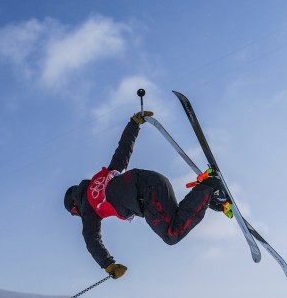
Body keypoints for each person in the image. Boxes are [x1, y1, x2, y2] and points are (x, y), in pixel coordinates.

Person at [64, 110, 229, 279]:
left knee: (171, 234)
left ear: (75, 205)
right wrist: (133, 124)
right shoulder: (101, 178)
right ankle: (210, 196)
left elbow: (91, 239)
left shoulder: (88, 205)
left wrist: (108, 265)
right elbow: (122, 152)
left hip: (146, 195)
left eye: (75, 213)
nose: (79, 215)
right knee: (175, 220)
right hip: (153, 181)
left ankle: (208, 187)